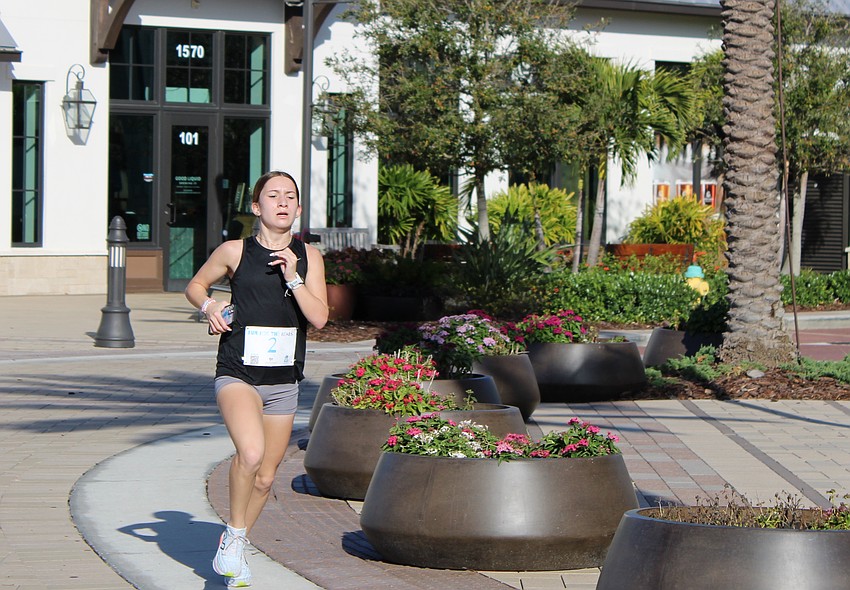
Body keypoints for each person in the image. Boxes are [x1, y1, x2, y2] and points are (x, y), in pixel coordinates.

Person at [185, 170, 328, 587]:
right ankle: (234, 537)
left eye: (290, 197)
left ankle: (236, 542)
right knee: (249, 455)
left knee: (266, 476)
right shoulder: (234, 250)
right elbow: (196, 284)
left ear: (298, 209)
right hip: (238, 373)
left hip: (284, 381)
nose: (282, 203)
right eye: (273, 196)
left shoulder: (309, 257)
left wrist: (293, 277)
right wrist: (210, 307)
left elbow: (318, 317)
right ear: (256, 207)